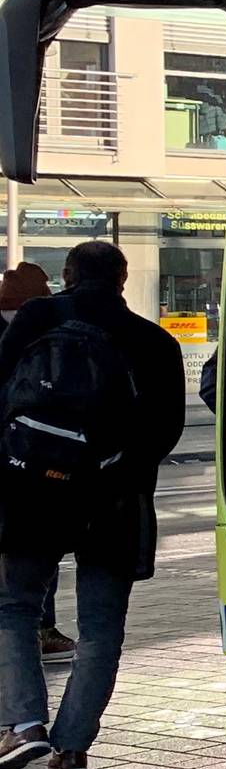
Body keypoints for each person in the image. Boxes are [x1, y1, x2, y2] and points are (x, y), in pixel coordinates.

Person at [0, 242, 186, 769]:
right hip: (114, 500)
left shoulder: (39, 317)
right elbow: (165, 432)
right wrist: (110, 470)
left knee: (14, 607)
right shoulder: (153, 341)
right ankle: (72, 748)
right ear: (123, 281)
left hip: (31, 492)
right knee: (101, 629)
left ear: (67, 276)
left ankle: (24, 725)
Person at [0, 264, 72, 668]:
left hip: (16, 455)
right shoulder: (44, 329)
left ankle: (40, 628)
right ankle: (42, 629)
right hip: (36, 458)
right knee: (38, 548)